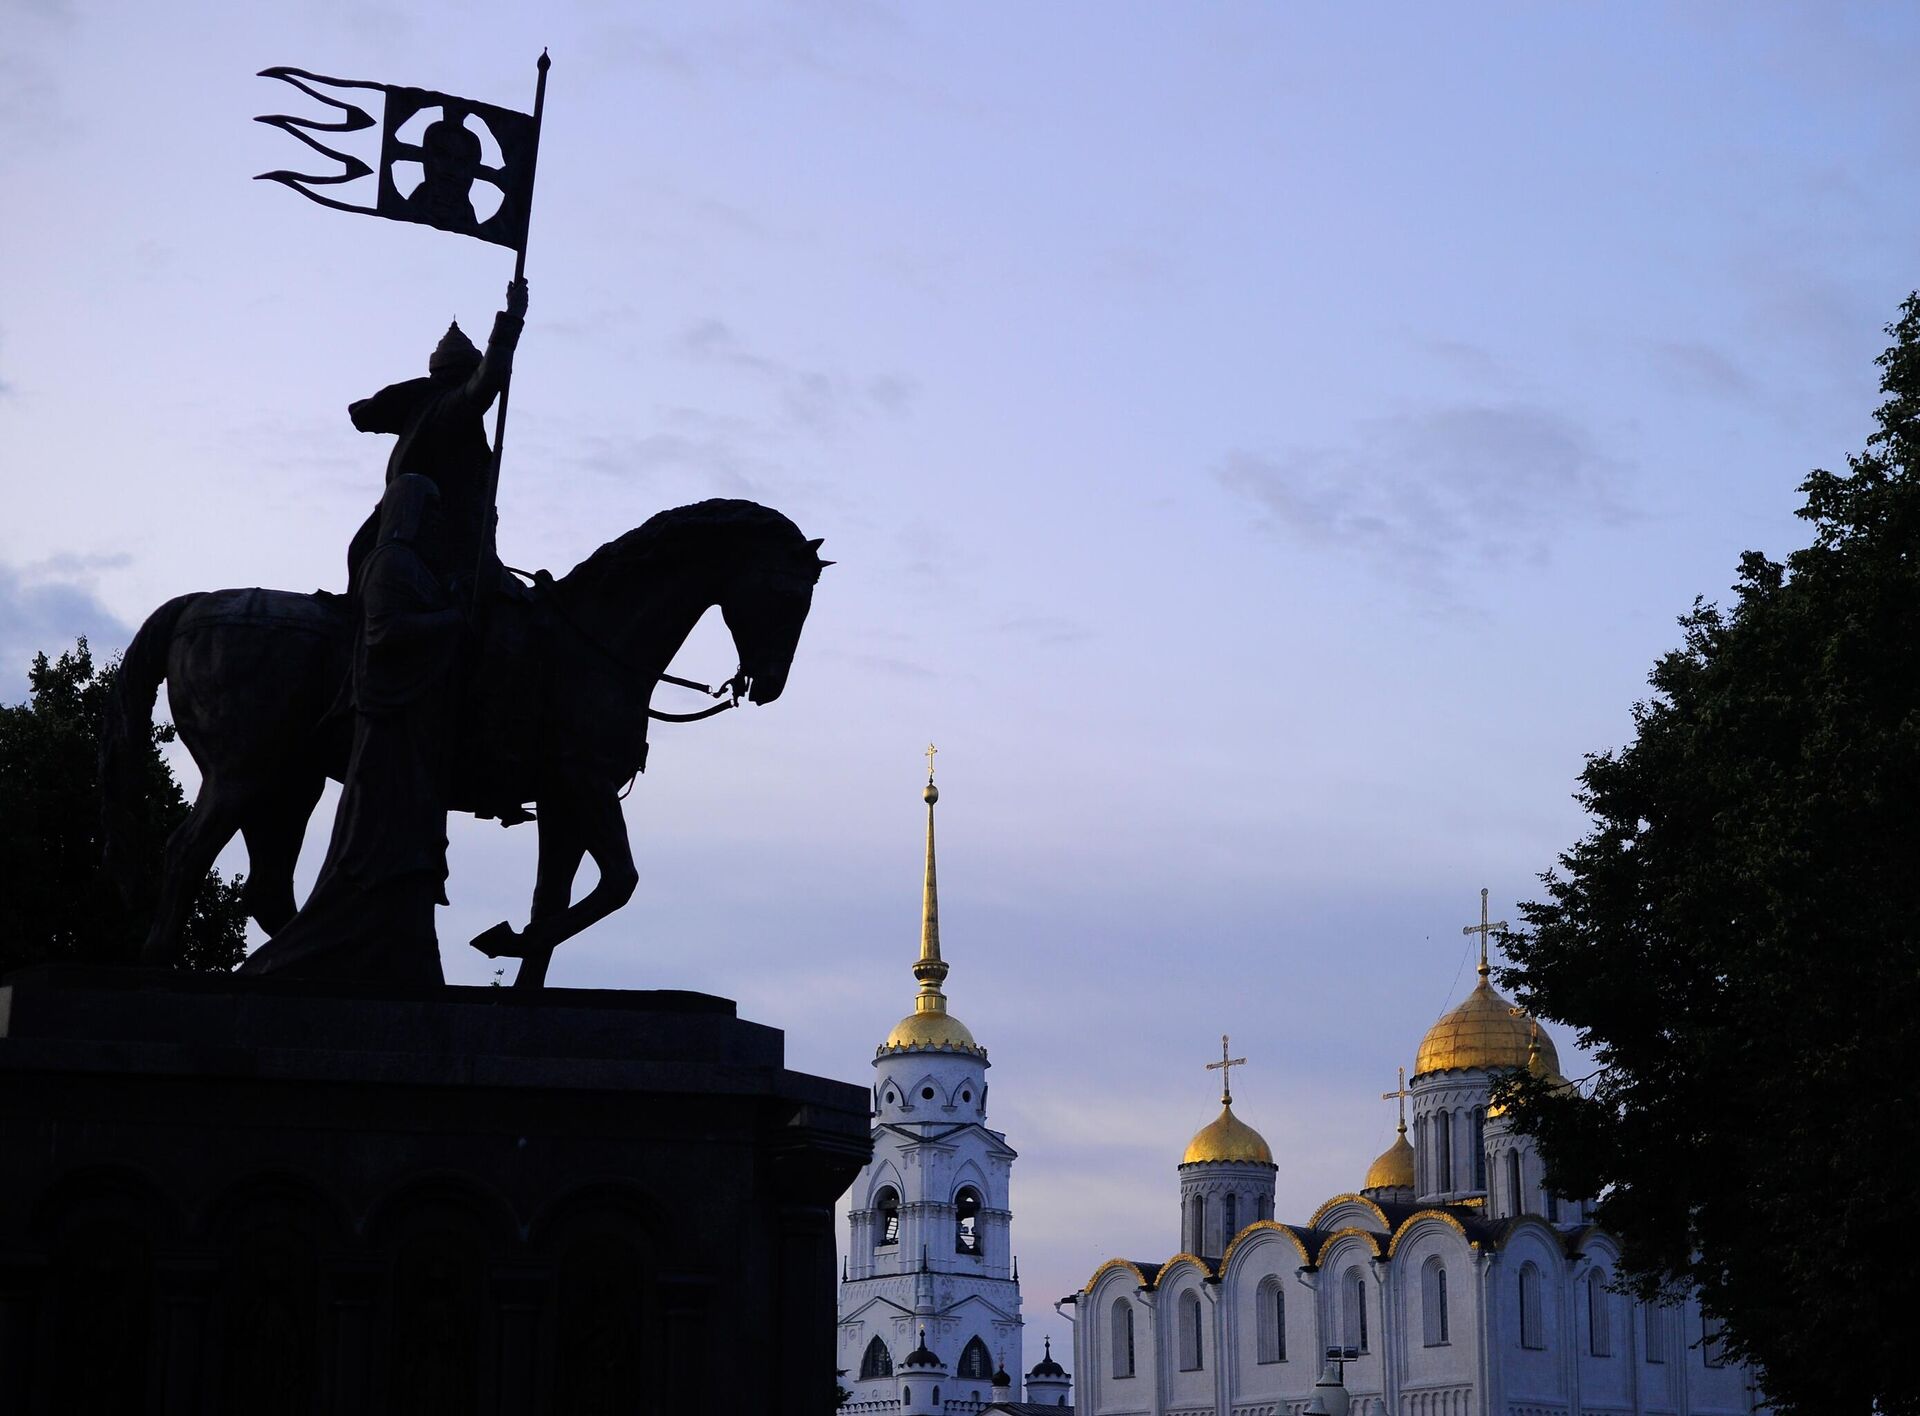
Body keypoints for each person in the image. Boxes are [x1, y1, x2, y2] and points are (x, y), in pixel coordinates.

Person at [239, 475, 464, 984]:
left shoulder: (418, 569)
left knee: (412, 851)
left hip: (411, 734)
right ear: (409, 514)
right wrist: (450, 620)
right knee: (376, 849)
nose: (436, 522)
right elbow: (386, 634)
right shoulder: (390, 564)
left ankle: (409, 956)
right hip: (387, 733)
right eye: (429, 512)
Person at [343, 278, 528, 602]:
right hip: (441, 551)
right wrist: (513, 317)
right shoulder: (449, 409)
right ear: (466, 372)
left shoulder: (427, 409)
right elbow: (488, 380)